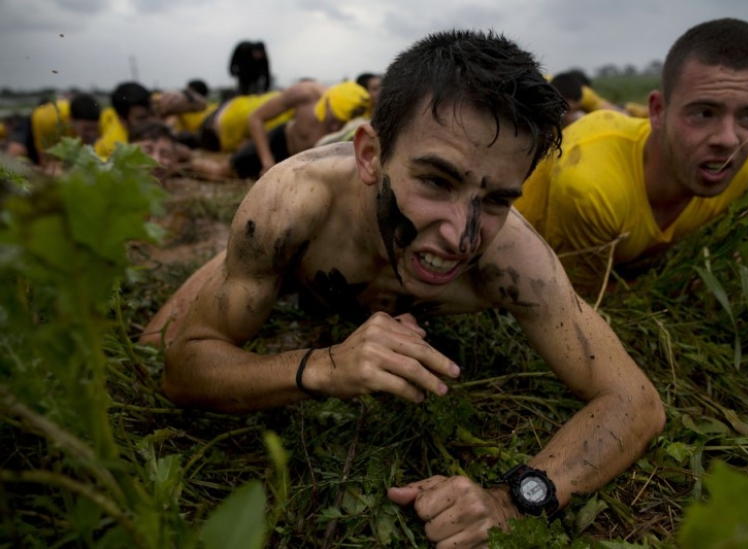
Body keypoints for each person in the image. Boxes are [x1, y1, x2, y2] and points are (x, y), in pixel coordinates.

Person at [140, 29, 665, 547]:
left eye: (497, 200)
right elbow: (183, 368)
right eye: (437, 181)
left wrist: (513, 500)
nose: (462, 238)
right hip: (300, 254)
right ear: (370, 154)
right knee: (149, 345)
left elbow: (635, 401)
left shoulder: (514, 259)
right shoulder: (292, 204)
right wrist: (325, 366)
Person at [514, 18, 748, 296]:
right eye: (704, 113)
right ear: (658, 111)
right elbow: (577, 304)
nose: (728, 140)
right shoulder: (592, 184)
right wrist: (700, 280)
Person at [192, 80, 370, 179]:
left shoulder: (363, 113)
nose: (335, 128)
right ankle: (184, 164)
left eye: (342, 124)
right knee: (220, 174)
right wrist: (266, 160)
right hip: (279, 144)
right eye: (333, 121)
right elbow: (256, 118)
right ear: (328, 102)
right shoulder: (305, 93)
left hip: (305, 165)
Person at [95, 81, 206, 160]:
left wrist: (184, 96)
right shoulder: (115, 146)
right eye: (142, 119)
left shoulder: (153, 103)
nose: (152, 121)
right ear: (122, 120)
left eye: (153, 114)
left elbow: (202, 105)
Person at [5, 93, 101, 166]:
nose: (91, 134)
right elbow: (44, 160)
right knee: (15, 152)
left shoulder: (99, 122)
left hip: (61, 131)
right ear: (71, 120)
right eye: (87, 129)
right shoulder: (49, 119)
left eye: (94, 129)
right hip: (35, 123)